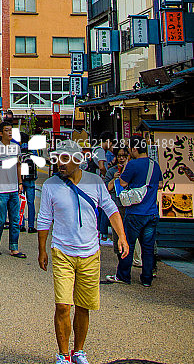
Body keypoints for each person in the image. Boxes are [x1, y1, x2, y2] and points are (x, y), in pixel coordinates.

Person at [37, 139, 129, 364]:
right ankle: (63, 354)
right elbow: (44, 219)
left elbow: (111, 209)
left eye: (65, 159)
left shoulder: (95, 182)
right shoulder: (50, 185)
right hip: (62, 252)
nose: (60, 163)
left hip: (90, 252)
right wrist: (42, 250)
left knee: (83, 305)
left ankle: (78, 351)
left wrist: (122, 238)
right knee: (62, 306)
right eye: (58, 158)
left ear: (78, 161)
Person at [106, 136, 162, 287]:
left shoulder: (133, 165)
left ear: (135, 149)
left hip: (135, 212)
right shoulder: (154, 165)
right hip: (151, 212)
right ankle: (147, 279)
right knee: (148, 247)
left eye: (130, 149)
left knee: (127, 244)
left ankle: (124, 275)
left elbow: (123, 182)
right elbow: (161, 184)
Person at [0, 120, 26, 258]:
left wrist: (20, 183)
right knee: (1, 220)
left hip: (14, 189)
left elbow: (19, 166)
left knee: (15, 220)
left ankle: (14, 248)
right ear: (1, 132)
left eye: (11, 130)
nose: (10, 133)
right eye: (7, 130)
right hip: (1, 190)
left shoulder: (16, 148)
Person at [104, 146, 130, 259]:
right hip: (116, 206)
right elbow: (106, 189)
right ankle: (120, 258)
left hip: (129, 207)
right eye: (119, 156)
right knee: (117, 234)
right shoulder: (111, 171)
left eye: (124, 156)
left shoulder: (131, 170)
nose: (122, 159)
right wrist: (114, 179)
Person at [20, 143, 38, 232]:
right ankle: (31, 226)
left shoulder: (19, 155)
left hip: (21, 182)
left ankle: (21, 225)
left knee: (21, 203)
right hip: (31, 182)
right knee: (31, 203)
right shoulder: (33, 155)